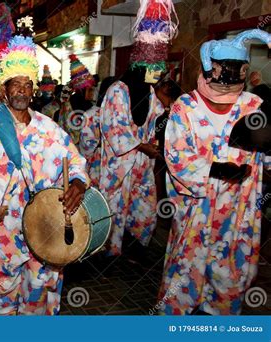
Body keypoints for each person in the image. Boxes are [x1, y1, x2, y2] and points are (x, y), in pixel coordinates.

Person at [0, 18, 88, 315]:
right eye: (15, 83)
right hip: (2, 231)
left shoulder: (49, 129)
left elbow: (76, 162)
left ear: (33, 89)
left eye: (27, 84)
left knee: (36, 305)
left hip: (44, 231)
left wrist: (78, 186)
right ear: (4, 89)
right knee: (2, 304)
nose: (21, 90)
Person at [159, 29, 271, 315]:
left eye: (238, 71)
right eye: (225, 71)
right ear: (209, 69)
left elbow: (266, 156)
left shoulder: (254, 106)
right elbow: (176, 155)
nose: (230, 80)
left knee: (231, 277)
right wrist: (216, 170)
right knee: (184, 276)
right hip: (195, 211)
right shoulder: (185, 108)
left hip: (240, 214)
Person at [98, 0, 177, 257]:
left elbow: (155, 121)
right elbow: (115, 129)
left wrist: (154, 141)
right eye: (154, 70)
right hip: (119, 167)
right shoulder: (117, 90)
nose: (158, 74)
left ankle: (135, 247)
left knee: (142, 207)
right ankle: (109, 253)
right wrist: (143, 146)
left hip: (141, 165)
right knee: (115, 208)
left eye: (160, 70)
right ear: (141, 67)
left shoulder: (151, 94)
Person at [79, 76, 116, 186]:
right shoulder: (90, 115)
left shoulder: (121, 115)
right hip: (97, 167)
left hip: (116, 169)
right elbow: (85, 146)